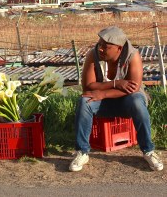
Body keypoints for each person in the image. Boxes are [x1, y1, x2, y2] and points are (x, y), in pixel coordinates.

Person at [69, 25, 163, 172]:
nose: (100, 48)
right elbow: (88, 86)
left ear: (118, 48)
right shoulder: (93, 56)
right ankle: (82, 151)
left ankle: (148, 151)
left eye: (105, 46)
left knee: (137, 100)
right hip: (104, 103)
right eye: (99, 44)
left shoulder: (133, 56)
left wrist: (103, 92)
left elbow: (134, 88)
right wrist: (116, 83)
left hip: (127, 102)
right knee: (84, 100)